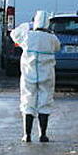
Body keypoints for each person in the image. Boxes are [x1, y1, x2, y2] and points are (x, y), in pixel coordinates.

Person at [10, 10, 61, 142]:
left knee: (28, 101)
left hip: (29, 73)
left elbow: (14, 34)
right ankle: (42, 134)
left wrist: (28, 25)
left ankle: (27, 134)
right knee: (45, 101)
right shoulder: (52, 38)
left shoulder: (27, 35)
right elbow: (57, 47)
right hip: (47, 74)